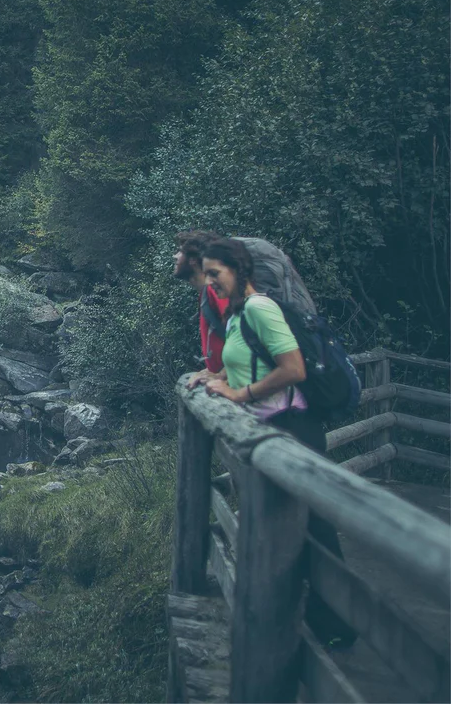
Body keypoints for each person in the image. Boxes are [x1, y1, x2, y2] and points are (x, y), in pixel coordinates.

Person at [190, 238, 356, 647]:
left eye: (215, 274)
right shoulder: (242, 313)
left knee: (311, 524)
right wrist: (217, 379)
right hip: (275, 423)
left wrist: (239, 395)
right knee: (281, 520)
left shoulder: (261, 308)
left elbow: (293, 368)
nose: (209, 282)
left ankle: (334, 624)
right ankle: (295, 618)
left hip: (292, 423)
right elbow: (248, 363)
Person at [172, 230, 228, 382]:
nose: (175, 256)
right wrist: (211, 371)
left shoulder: (215, 291)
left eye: (180, 252)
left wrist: (221, 374)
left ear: (192, 260)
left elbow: (246, 336)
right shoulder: (206, 293)